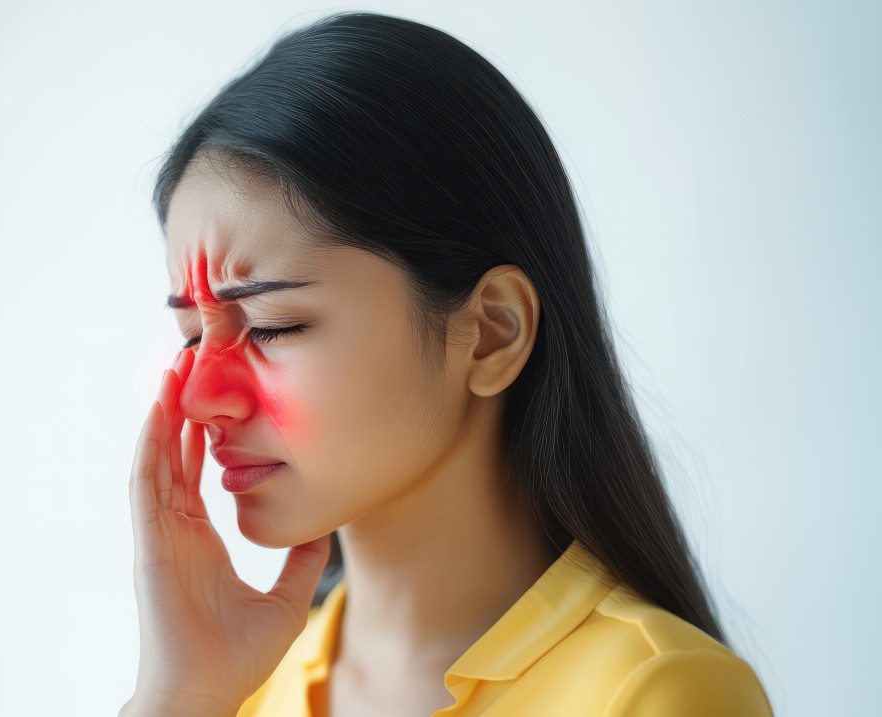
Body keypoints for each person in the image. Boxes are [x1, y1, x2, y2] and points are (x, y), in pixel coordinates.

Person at [121, 11, 774, 717]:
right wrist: (178, 698)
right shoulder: (236, 693)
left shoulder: (656, 694)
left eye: (275, 327)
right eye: (192, 336)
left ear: (493, 331)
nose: (201, 398)